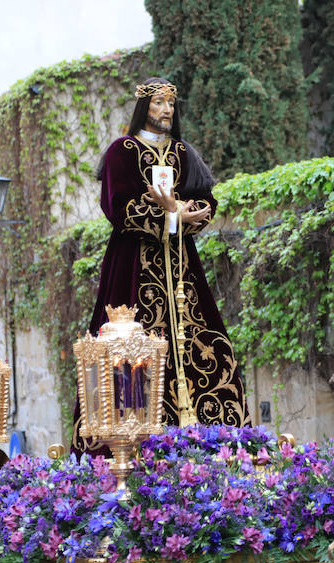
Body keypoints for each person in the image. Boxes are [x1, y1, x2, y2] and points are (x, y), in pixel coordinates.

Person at [76, 77, 250, 451]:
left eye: (171, 103)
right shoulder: (122, 151)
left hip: (183, 269)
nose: (167, 110)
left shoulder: (184, 153)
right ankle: (127, 445)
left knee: (204, 345)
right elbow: (118, 207)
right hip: (133, 266)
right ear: (145, 107)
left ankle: (214, 445)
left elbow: (206, 201)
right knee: (128, 352)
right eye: (159, 103)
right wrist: (171, 217)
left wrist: (185, 214)